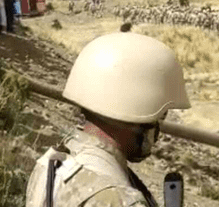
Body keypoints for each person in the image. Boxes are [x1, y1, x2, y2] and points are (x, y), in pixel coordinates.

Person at [25, 32, 190, 207]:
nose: (157, 130)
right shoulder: (121, 199)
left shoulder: (51, 164)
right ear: (133, 113)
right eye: (157, 117)